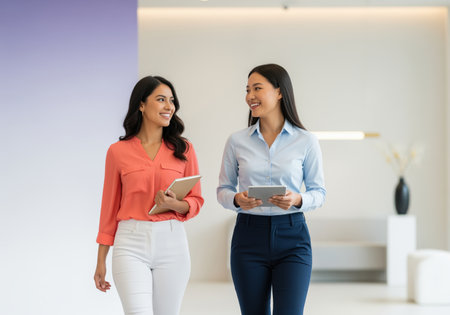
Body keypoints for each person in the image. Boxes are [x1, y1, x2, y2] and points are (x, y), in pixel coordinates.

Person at [217, 64, 326, 315]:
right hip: (247, 238)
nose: (250, 96)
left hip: (293, 237)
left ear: (279, 92)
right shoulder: (237, 141)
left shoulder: (306, 140)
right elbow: (223, 189)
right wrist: (236, 199)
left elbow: (319, 192)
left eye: (257, 88)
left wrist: (298, 199)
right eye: (247, 90)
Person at [94, 76, 204, 315]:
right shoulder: (117, 152)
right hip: (130, 244)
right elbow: (109, 208)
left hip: (173, 243)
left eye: (171, 101)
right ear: (141, 105)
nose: (169, 107)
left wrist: (177, 204)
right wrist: (101, 259)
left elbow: (196, 201)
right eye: (161, 99)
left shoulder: (184, 149)